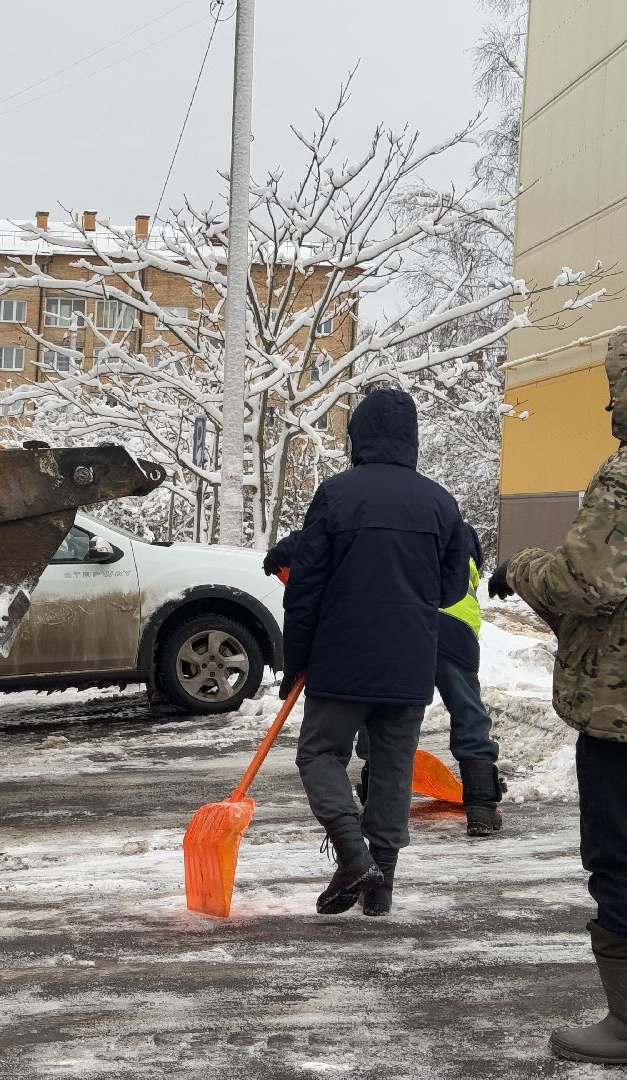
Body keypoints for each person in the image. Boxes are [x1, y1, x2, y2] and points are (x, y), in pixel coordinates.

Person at [490, 336, 627, 1064]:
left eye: (616, 386)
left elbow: (589, 583)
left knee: (617, 856)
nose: (608, 403)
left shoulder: (625, 476)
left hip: (620, 711)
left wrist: (521, 567)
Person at [281, 386, 468, 917]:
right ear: (411, 439)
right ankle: (380, 888)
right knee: (392, 768)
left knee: (320, 754)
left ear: (357, 436)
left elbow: (306, 587)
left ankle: (354, 855)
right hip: (409, 659)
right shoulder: (440, 502)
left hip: (342, 656)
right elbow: (452, 589)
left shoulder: (336, 494)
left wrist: (296, 660)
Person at [266, 521, 504, 841]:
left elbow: (324, 537)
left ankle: (377, 802)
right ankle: (481, 806)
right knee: (466, 710)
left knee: (378, 700)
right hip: (456, 631)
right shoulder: (456, 535)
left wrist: (281, 554)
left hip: (404, 626)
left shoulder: (385, 524)